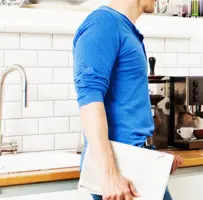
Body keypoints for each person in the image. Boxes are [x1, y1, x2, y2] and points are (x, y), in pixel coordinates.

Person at [72, 0, 183, 200]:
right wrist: (109, 175)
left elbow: (127, 111)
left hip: (136, 169)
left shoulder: (125, 29)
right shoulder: (103, 23)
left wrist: (154, 158)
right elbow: (89, 98)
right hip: (119, 176)